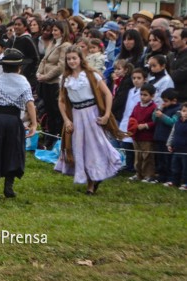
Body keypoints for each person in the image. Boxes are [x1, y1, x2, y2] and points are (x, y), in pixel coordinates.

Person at [55, 46, 124, 194]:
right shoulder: (65, 78)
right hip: (76, 114)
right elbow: (61, 101)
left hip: (92, 114)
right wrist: (66, 120)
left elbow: (107, 94)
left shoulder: (91, 75)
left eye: (74, 58)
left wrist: (106, 115)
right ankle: (89, 179)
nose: (72, 61)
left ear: (81, 59)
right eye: (69, 59)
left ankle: (94, 180)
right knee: (80, 147)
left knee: (95, 146)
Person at [0, 49, 37, 199]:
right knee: (13, 151)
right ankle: (8, 188)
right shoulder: (23, 81)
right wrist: (34, 124)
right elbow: (30, 103)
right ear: (19, 67)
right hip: (13, 120)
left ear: (3, 67)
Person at [36, 21, 71, 149]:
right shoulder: (52, 43)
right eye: (53, 30)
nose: (53, 32)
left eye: (56, 30)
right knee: (49, 112)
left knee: (56, 113)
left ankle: (57, 139)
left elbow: (61, 66)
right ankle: (49, 138)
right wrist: (39, 73)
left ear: (63, 31)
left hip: (55, 83)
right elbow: (44, 60)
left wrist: (46, 76)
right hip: (45, 82)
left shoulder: (65, 46)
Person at [128, 83, 157, 183]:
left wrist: (145, 125)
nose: (142, 97)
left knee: (147, 156)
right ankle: (138, 174)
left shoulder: (154, 108)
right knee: (138, 156)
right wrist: (133, 124)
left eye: (145, 95)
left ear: (152, 96)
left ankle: (148, 175)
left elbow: (155, 122)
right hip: (136, 136)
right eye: (141, 94)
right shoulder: (137, 106)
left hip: (147, 137)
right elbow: (132, 117)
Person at [152, 88, 179, 186]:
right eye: (163, 100)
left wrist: (162, 116)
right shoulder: (164, 108)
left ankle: (170, 178)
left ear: (174, 100)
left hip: (167, 139)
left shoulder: (178, 110)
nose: (164, 103)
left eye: (166, 101)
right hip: (159, 137)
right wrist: (158, 110)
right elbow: (153, 119)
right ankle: (161, 176)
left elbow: (173, 122)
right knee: (160, 159)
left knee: (168, 159)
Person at [166, 102, 187, 191]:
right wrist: (169, 144)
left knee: (185, 169)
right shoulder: (177, 123)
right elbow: (172, 134)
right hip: (176, 150)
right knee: (175, 167)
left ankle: (185, 183)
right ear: (180, 111)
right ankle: (175, 182)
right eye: (184, 111)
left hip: (185, 152)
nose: (185, 113)